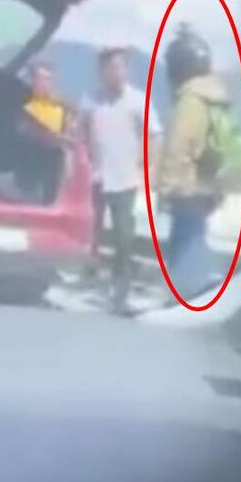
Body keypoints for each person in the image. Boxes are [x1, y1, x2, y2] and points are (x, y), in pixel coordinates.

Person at [83, 47, 161, 315]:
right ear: (101, 71)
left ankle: (121, 285)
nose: (115, 72)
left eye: (120, 67)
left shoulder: (138, 100)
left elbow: (154, 134)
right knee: (89, 231)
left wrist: (145, 163)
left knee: (123, 236)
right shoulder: (91, 99)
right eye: (110, 67)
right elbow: (80, 129)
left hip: (124, 178)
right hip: (96, 177)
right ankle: (89, 277)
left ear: (126, 70)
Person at [157, 25, 230, 297]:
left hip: (186, 187)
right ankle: (198, 288)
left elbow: (178, 146)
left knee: (184, 242)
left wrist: (166, 188)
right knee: (195, 235)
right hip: (207, 185)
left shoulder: (190, 99)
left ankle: (189, 296)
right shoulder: (217, 99)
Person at [19, 61, 72, 203]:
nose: (45, 83)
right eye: (41, 79)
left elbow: (68, 137)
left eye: (48, 79)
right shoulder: (24, 106)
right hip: (27, 166)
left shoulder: (61, 107)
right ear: (33, 81)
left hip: (52, 167)